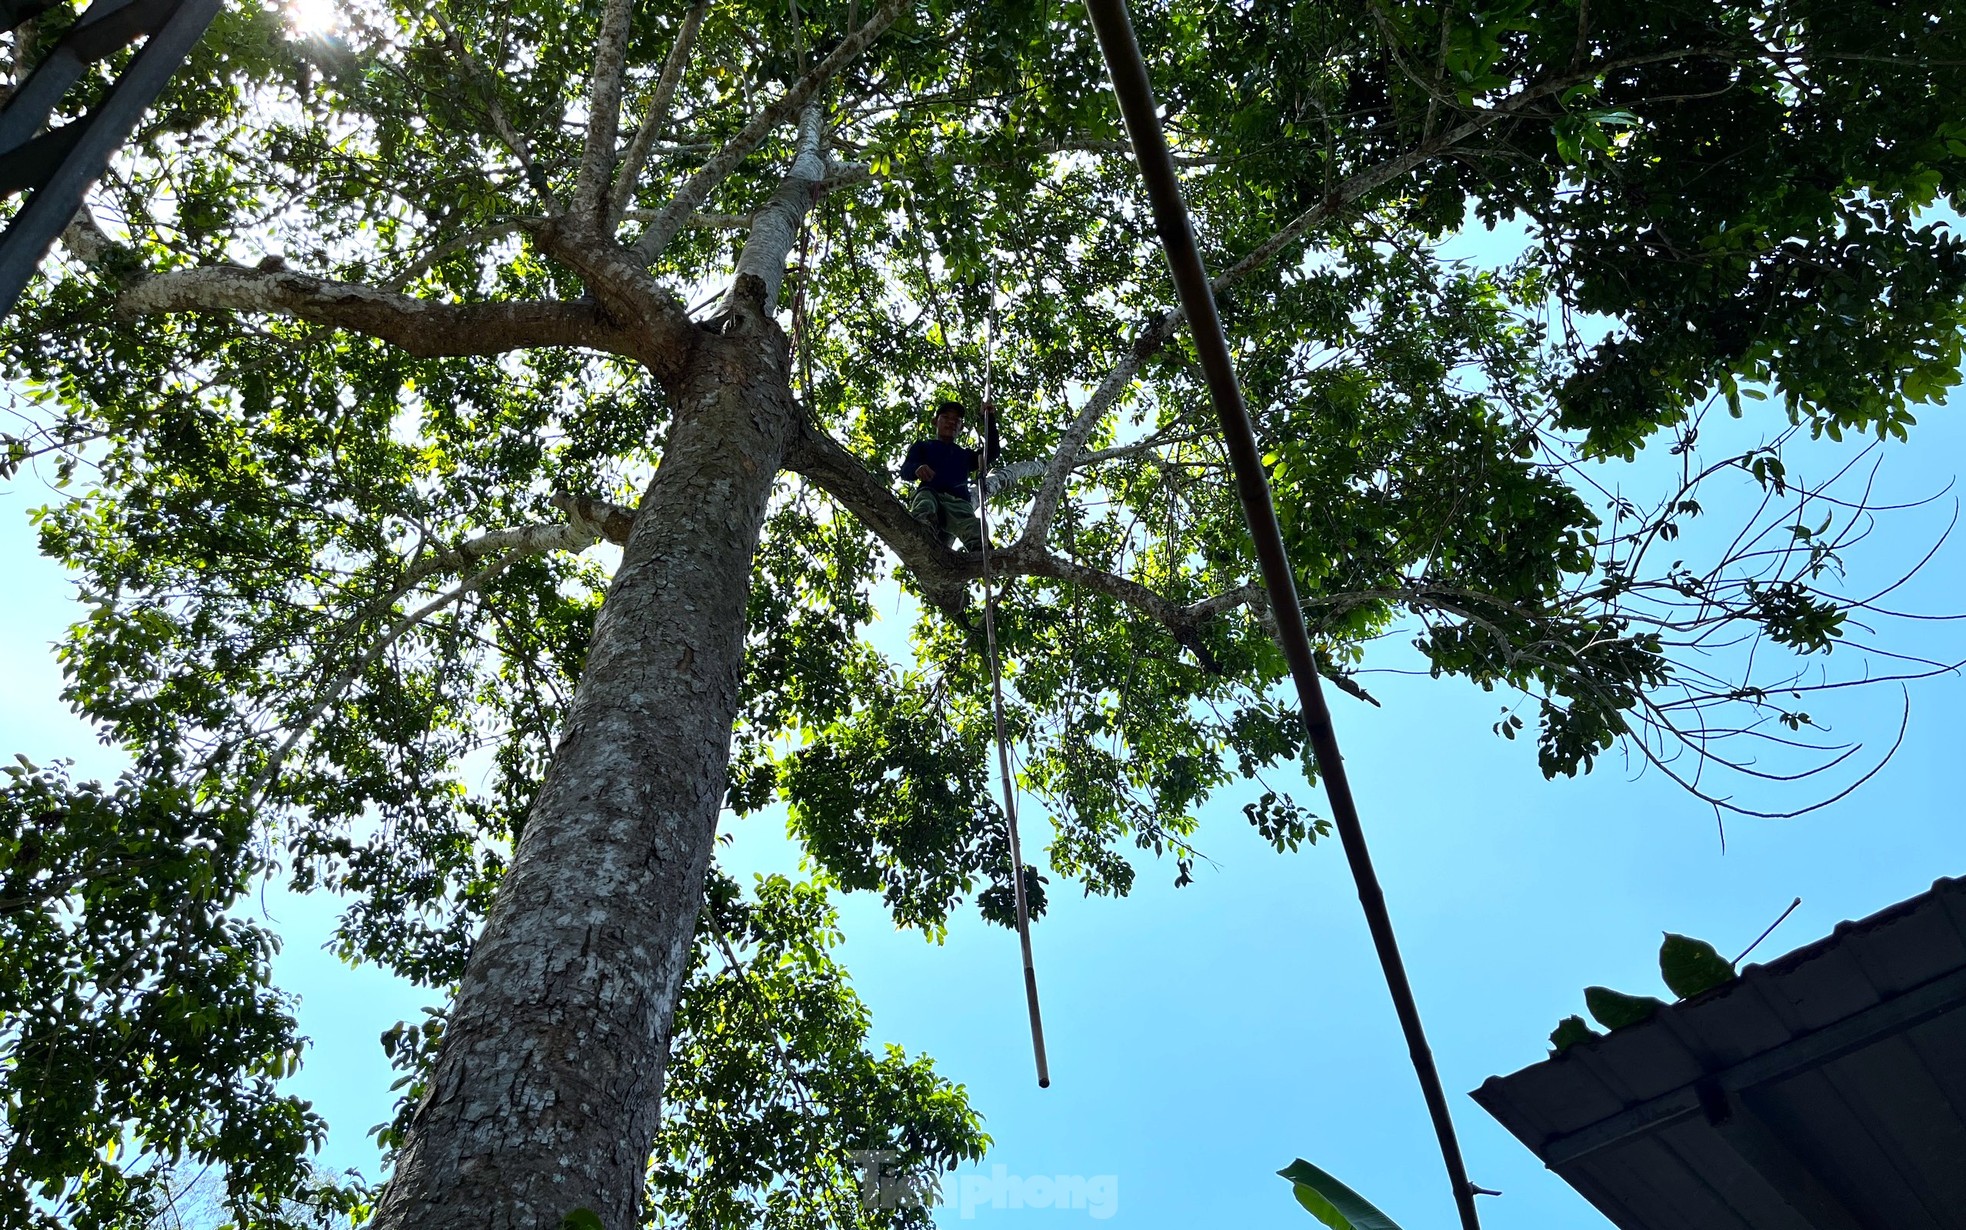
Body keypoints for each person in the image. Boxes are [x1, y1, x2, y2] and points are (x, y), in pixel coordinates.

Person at [902, 397, 1000, 550]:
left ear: (961, 428)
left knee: (973, 526)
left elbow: (991, 452)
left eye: (957, 420)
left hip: (958, 500)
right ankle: (921, 532)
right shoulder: (923, 446)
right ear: (935, 422)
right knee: (924, 505)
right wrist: (917, 468)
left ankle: (980, 552)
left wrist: (988, 418)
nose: (951, 422)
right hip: (930, 492)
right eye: (946, 417)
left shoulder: (965, 455)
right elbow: (905, 470)